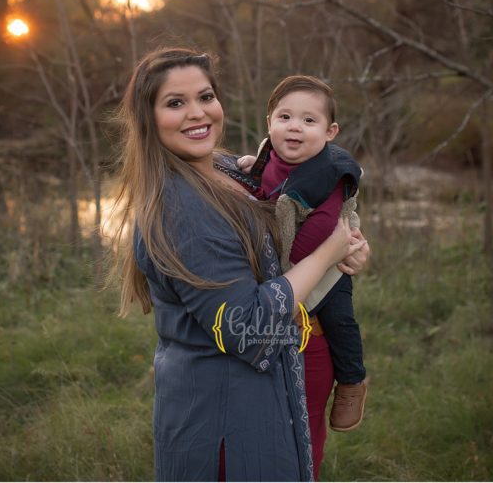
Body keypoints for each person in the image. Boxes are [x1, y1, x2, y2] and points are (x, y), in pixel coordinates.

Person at [110, 48, 369, 482]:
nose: (198, 113)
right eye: (175, 103)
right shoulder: (182, 207)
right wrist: (329, 251)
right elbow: (245, 327)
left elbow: (292, 222)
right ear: (147, 119)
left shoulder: (228, 168)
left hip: (266, 390)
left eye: (205, 96)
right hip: (227, 408)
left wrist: (352, 247)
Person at [235, 76, 367, 464]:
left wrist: (290, 266)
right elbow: (264, 186)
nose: (295, 126)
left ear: (330, 132)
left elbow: (324, 227)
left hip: (324, 261)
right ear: (269, 123)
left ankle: (353, 380)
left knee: (340, 318)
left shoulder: (331, 172)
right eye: (285, 116)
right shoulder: (270, 156)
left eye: (309, 121)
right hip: (290, 272)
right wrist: (250, 170)